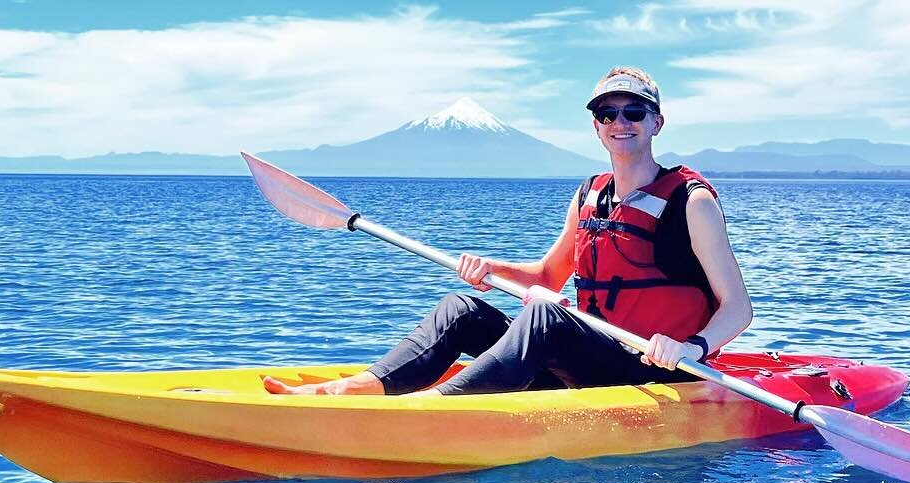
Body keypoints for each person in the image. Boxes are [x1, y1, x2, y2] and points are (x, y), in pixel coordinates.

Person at [264, 68, 753, 397]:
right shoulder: (589, 195)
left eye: (633, 113)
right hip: (587, 364)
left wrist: (691, 347)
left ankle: (433, 409)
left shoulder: (692, 201)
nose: (619, 122)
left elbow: (738, 308)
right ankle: (354, 391)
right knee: (462, 309)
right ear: (596, 126)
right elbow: (546, 275)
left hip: (655, 372)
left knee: (544, 317)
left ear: (656, 123)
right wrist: (487, 269)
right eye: (607, 114)